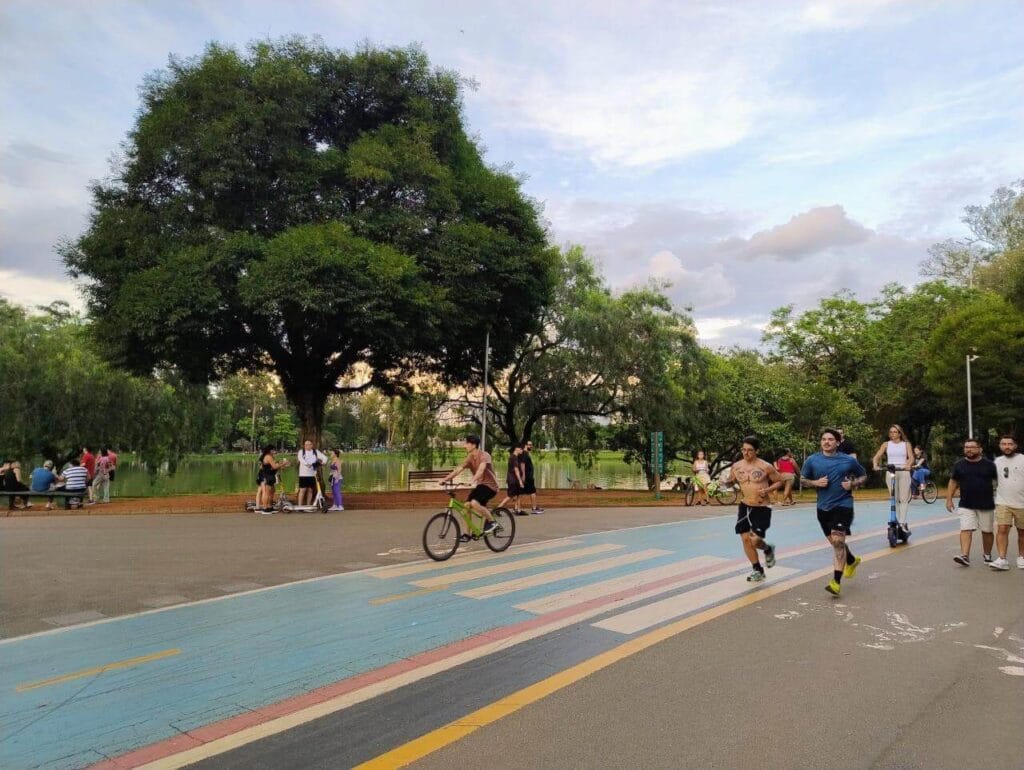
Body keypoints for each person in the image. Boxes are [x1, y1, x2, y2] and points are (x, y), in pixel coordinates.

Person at [800, 428, 867, 597]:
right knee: (835, 542)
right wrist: (816, 482)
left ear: (837, 442)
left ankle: (836, 582)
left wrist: (852, 484)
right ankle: (851, 560)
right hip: (823, 508)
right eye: (824, 439)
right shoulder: (812, 460)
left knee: (838, 541)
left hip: (843, 505)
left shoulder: (847, 460)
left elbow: (864, 476)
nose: (827, 442)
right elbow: (802, 479)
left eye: (830, 439)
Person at [731, 437, 783, 582]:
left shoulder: (765, 466)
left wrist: (767, 490)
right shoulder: (736, 466)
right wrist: (724, 484)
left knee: (755, 541)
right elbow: (731, 482)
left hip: (761, 507)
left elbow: (779, 481)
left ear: (757, 451)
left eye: (749, 450)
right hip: (745, 506)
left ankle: (767, 549)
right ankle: (757, 569)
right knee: (745, 539)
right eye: (743, 450)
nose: (746, 453)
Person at [946, 437, 997, 566]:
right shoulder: (959, 465)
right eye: (966, 447)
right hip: (966, 504)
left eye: (972, 447)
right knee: (965, 529)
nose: (969, 449)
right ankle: (965, 556)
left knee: (987, 531)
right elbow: (953, 482)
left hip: (986, 504)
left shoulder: (990, 465)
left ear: (980, 449)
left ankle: (987, 555)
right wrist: (949, 499)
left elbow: (998, 482)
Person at [440, 435, 500, 534]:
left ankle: (492, 522)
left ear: (473, 445)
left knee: (474, 503)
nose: (464, 446)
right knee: (466, 506)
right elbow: (458, 470)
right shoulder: (470, 457)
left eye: (466, 443)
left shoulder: (485, 455)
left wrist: (472, 480)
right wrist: (445, 479)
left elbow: (481, 470)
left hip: (491, 486)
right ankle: (467, 534)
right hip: (480, 486)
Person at [989, 435, 1024, 571]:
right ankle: (1002, 559)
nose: (1007, 446)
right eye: (1004, 444)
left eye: (1010, 444)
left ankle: (1021, 557)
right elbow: (991, 480)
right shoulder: (997, 461)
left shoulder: (1022, 459)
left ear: (1015, 446)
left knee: (1022, 532)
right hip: (1003, 501)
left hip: (1022, 503)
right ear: (1000, 446)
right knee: (1002, 529)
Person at [871, 424, 913, 536]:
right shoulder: (886, 444)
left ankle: (903, 522)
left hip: (903, 471)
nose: (892, 434)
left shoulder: (906, 444)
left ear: (900, 433)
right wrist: (875, 465)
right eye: (890, 432)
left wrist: (908, 465)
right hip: (891, 471)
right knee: (894, 497)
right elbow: (876, 456)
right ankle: (897, 521)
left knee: (903, 498)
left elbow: (911, 457)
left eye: (895, 432)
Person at [296, 439, 327, 507]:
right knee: (303, 490)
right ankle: (300, 506)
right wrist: (307, 464)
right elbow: (300, 459)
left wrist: (323, 462)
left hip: (312, 474)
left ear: (312, 445)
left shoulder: (315, 452)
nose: (306, 446)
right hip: (303, 474)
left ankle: (308, 505)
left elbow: (324, 457)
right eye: (305, 445)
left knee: (310, 490)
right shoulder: (301, 452)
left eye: (308, 444)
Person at [258, 446, 288, 513]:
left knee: (272, 491)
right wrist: (283, 463)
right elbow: (274, 467)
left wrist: (281, 464)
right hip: (267, 476)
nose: (275, 451)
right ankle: (265, 508)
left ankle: (270, 506)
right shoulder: (268, 456)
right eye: (273, 450)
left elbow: (273, 466)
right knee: (267, 492)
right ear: (270, 450)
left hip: (271, 475)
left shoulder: (271, 456)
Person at [497, 444, 526, 515]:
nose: (522, 450)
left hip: (512, 479)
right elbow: (516, 470)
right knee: (510, 496)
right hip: (513, 480)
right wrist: (520, 481)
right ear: (516, 449)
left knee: (518, 494)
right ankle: (498, 509)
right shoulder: (514, 457)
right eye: (521, 449)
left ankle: (518, 510)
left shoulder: (513, 457)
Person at [521, 440, 543, 514]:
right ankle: (534, 508)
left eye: (531, 444)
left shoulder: (526, 453)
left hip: (528, 475)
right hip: (528, 476)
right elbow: (523, 464)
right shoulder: (524, 453)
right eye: (529, 445)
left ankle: (517, 508)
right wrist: (523, 475)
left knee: (521, 492)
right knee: (533, 492)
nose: (531, 446)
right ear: (525, 445)